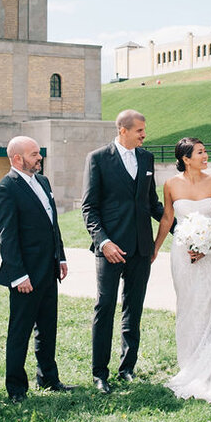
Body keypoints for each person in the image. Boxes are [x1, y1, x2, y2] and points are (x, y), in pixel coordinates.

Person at [154, 138, 211, 403]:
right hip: (182, 255)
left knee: (208, 306)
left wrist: (208, 245)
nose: (205, 155)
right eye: (200, 152)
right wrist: (156, 248)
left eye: (205, 151)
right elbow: (168, 218)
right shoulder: (171, 184)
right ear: (186, 158)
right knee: (187, 305)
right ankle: (189, 362)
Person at [82, 109, 165, 394]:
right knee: (105, 307)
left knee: (134, 308)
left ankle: (127, 367)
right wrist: (104, 242)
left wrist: (182, 228)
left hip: (142, 248)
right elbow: (89, 208)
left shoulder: (147, 159)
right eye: (140, 130)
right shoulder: (98, 159)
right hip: (110, 249)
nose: (144, 134)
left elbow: (152, 203)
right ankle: (99, 373)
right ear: (123, 130)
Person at [0, 136, 71, 403]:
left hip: (49, 270)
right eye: (34, 154)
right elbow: (6, 237)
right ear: (17, 159)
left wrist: (60, 256)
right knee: (20, 331)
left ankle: (48, 377)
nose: (40, 158)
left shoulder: (43, 181)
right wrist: (18, 275)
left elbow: (52, 223)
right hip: (25, 275)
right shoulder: (5, 189)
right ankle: (16, 387)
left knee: (48, 328)